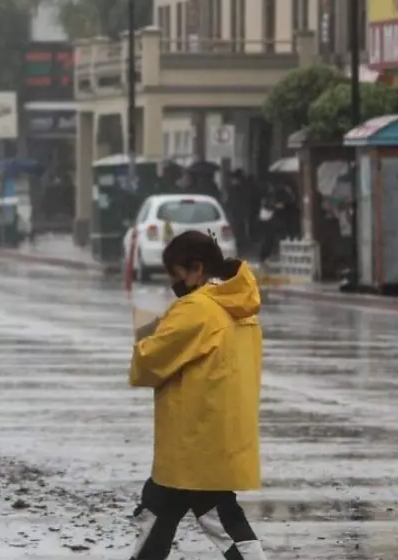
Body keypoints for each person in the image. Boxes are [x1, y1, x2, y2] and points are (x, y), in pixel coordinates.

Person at [128, 230, 266, 560]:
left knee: (217, 516)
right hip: (214, 433)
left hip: (195, 440)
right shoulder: (237, 306)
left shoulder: (196, 309)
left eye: (176, 274)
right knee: (159, 509)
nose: (174, 283)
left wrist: (146, 329)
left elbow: (149, 362)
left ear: (197, 269)